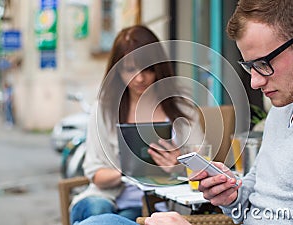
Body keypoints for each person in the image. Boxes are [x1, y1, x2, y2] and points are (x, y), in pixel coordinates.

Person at [78, 0, 293, 225]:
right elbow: (251, 205)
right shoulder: (283, 108)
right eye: (249, 67)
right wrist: (232, 194)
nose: (255, 82)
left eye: (264, 63)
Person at [69, 25, 205, 224]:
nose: (140, 78)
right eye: (130, 69)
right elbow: (96, 174)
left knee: (116, 220)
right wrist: (130, 170)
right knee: (99, 210)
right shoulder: (104, 110)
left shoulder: (182, 107)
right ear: (117, 70)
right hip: (105, 198)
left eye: (148, 69)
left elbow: (204, 164)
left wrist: (178, 165)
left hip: (155, 207)